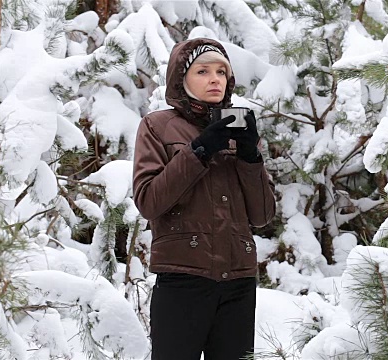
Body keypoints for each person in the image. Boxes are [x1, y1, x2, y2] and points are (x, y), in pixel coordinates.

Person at [132, 38, 276, 360]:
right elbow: (149, 201)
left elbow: (262, 215)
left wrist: (251, 156)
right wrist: (200, 150)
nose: (215, 79)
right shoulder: (157, 126)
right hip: (183, 277)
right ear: (181, 79)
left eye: (222, 72)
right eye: (203, 71)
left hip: (238, 282)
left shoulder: (237, 128)